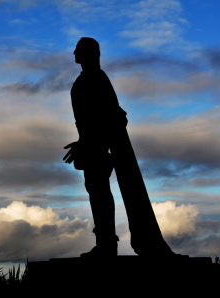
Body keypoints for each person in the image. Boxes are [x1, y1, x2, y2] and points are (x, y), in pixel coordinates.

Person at [63, 37, 177, 258]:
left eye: (78, 49)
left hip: (98, 148)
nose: (74, 53)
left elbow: (111, 118)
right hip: (92, 147)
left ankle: (107, 245)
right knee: (97, 192)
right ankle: (105, 243)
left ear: (90, 53)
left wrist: (86, 142)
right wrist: (83, 142)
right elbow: (96, 120)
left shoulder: (96, 79)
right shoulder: (86, 80)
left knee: (99, 193)